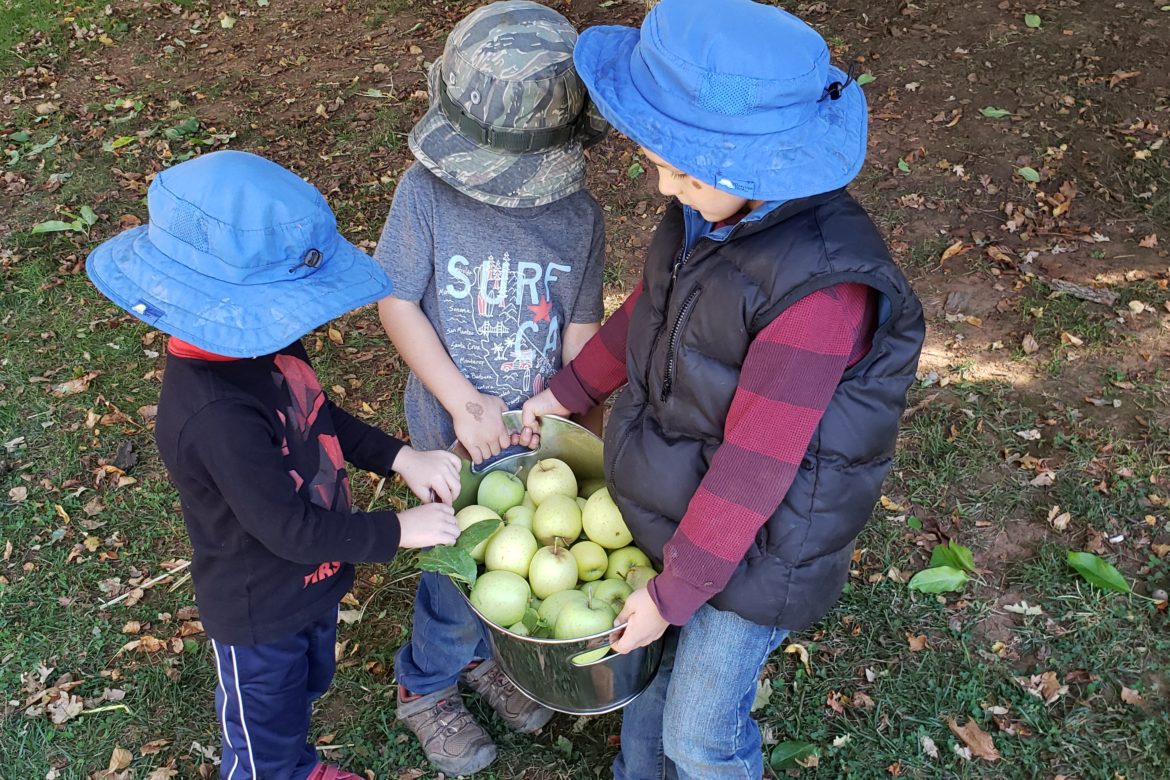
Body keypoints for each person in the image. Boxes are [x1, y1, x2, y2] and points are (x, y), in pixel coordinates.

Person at [518, 0, 927, 776]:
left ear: (759, 170)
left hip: (765, 547)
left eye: (684, 171)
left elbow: (757, 468)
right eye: (660, 162)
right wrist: (568, 392)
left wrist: (677, 593)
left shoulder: (819, 294)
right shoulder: (712, 218)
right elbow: (652, 307)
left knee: (698, 732)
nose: (666, 188)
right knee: (648, 688)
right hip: (685, 504)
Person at [86, 150, 462, 780]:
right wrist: (400, 530)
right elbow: (287, 529)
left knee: (304, 688)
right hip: (258, 608)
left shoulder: (262, 340)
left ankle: (297, 765)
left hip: (311, 582)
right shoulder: (215, 417)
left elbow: (316, 414)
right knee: (263, 730)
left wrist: (400, 456)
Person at [372, 1, 609, 774]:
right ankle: (427, 685)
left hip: (534, 442)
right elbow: (397, 299)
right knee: (461, 570)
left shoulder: (579, 216)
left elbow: (579, 326)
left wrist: (567, 405)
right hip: (452, 436)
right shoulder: (427, 194)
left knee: (519, 567)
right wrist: (460, 400)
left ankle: (487, 660)